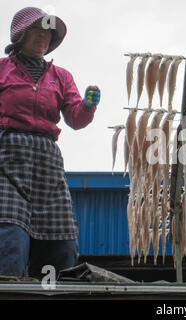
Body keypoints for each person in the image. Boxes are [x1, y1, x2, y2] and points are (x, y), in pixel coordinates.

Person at [0, 7, 101, 279]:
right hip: (8, 157)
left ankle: (57, 289)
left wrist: (87, 107)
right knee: (9, 231)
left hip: (47, 160)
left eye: (48, 33)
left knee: (61, 238)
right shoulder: (2, 70)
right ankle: (9, 290)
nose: (43, 37)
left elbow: (75, 119)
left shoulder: (61, 77)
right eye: (37, 31)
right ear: (20, 35)